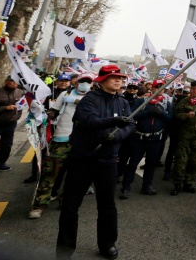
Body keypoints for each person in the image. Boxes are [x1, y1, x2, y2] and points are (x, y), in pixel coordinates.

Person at [56, 65, 136, 259]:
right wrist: (113, 123)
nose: (118, 81)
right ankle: (65, 248)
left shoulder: (124, 103)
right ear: (102, 80)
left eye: (120, 78)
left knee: (107, 205)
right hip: (83, 158)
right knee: (70, 205)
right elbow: (88, 121)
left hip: (108, 160)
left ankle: (107, 244)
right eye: (113, 77)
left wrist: (116, 137)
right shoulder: (89, 100)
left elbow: (131, 125)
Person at [29, 73, 94, 219]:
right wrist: (41, 112)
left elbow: (94, 112)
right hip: (61, 139)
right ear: (76, 82)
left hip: (82, 141)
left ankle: (65, 201)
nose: (84, 84)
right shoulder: (65, 94)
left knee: (75, 175)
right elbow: (54, 112)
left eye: (88, 82)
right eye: (82, 81)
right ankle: (39, 204)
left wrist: (77, 101)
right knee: (50, 173)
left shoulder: (94, 97)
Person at [120, 80, 172, 199]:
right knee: (133, 163)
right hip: (140, 137)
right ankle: (126, 187)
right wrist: (147, 113)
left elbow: (170, 119)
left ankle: (147, 186)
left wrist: (161, 113)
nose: (159, 90)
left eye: (162, 87)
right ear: (151, 89)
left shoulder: (166, 103)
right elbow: (131, 115)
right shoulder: (141, 101)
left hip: (156, 139)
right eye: (157, 87)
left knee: (151, 164)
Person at [171, 80, 196, 195]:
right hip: (185, 137)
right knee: (181, 161)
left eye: (195, 89)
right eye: (191, 89)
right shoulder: (184, 101)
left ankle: (188, 183)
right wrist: (186, 116)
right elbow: (176, 115)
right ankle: (177, 184)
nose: (192, 91)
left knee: (195, 162)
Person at [0, 76, 25, 172]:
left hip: (10, 124)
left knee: (6, 145)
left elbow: (21, 106)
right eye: (12, 81)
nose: (14, 83)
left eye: (16, 81)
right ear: (6, 81)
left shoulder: (20, 92)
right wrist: (5, 108)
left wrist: (17, 116)